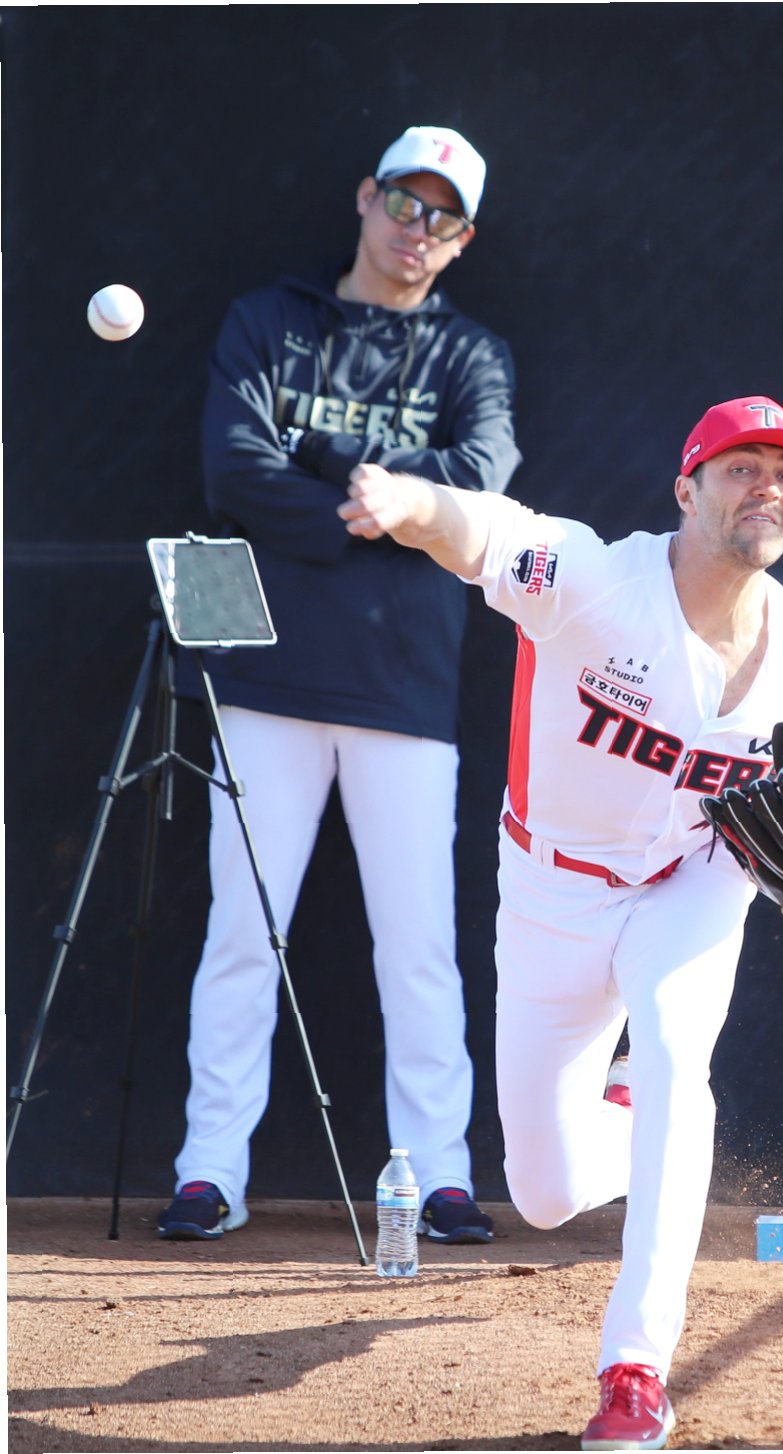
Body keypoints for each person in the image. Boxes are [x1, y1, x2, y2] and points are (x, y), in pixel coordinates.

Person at [335, 396, 783, 1450]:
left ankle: (634, 1367)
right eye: (742, 467)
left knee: (675, 1053)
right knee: (544, 1193)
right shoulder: (595, 578)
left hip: (690, 879)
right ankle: (620, 1108)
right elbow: (483, 533)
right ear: (685, 490)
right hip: (552, 889)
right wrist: (409, 503)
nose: (768, 486)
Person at [157, 125, 520, 1246]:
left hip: (405, 690)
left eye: (443, 217)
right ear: (367, 198)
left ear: (462, 240)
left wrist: (382, 490)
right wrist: (376, 513)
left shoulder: (472, 356)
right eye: (406, 202)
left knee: (418, 947)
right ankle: (209, 1173)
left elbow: (484, 478)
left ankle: (440, 1176)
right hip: (260, 672)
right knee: (240, 933)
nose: (418, 229)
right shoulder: (269, 320)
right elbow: (232, 470)